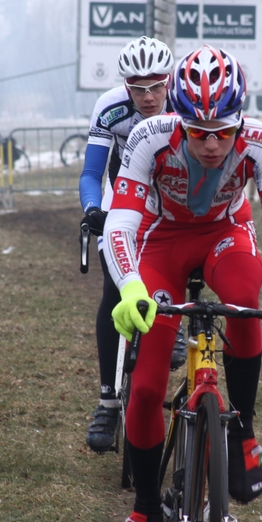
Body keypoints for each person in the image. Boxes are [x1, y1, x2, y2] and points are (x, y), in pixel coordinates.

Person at [102, 45, 262, 522]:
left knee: (244, 301)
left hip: (225, 233)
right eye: (198, 132)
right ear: (179, 118)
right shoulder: (150, 136)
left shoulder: (259, 140)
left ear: (240, 120)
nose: (213, 144)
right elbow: (122, 223)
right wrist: (131, 287)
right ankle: (146, 507)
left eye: (223, 131)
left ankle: (242, 431)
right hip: (163, 243)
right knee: (150, 385)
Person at [79, 36, 186, 454]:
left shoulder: (183, 104)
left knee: (180, 260)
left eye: (156, 86)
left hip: (171, 191)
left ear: (169, 81)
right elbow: (91, 172)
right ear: (125, 85)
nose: (146, 96)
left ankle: (172, 321)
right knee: (114, 287)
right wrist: (92, 209)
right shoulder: (111, 106)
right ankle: (108, 401)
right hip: (123, 191)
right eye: (137, 87)